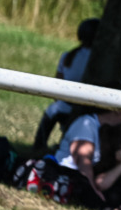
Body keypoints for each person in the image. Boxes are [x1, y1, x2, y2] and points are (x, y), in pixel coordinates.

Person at [33, 18, 100, 154]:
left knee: (52, 111)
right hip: (81, 107)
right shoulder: (97, 60)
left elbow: (58, 82)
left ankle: (39, 146)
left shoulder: (68, 56)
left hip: (62, 105)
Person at [53, 102, 121, 208]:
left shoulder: (103, 127)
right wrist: (93, 190)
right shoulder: (86, 124)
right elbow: (83, 162)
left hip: (78, 177)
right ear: (116, 109)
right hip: (66, 175)